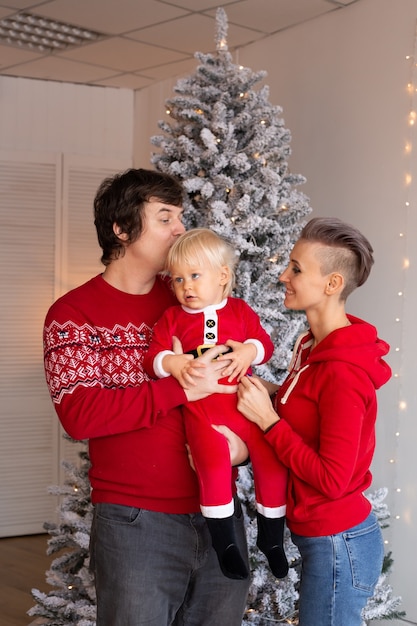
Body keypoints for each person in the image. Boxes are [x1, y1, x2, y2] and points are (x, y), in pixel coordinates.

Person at [43, 168, 251, 626]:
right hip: (136, 523)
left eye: (180, 217)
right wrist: (177, 387)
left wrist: (246, 447)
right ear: (121, 230)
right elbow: (80, 415)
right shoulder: (73, 314)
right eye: (164, 218)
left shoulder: (192, 300)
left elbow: (244, 384)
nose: (180, 229)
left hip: (219, 513)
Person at [236, 216, 392, 626]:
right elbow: (303, 408)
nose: (283, 275)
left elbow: (332, 479)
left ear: (332, 284)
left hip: (339, 542)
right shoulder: (312, 346)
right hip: (322, 537)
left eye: (297, 269)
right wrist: (259, 386)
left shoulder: (342, 372)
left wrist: (269, 422)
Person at [144, 228, 289, 581]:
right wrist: (174, 363)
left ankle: (272, 540)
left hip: (247, 410)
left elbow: (263, 343)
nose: (186, 287)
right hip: (203, 415)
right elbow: (154, 357)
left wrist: (248, 350)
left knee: (272, 462)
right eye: (178, 279)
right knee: (211, 467)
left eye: (195, 276)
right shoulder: (173, 318)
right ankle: (225, 545)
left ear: (222, 276)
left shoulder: (239, 311)